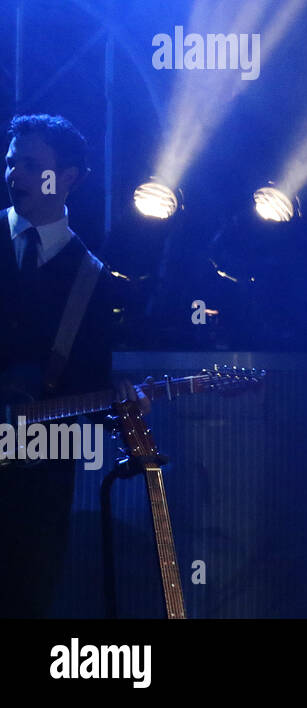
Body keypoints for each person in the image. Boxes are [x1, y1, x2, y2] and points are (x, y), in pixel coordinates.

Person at [0, 113, 115, 616]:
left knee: (29, 594)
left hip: (40, 475)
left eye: (30, 164)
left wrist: (121, 405)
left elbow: (91, 385)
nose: (14, 175)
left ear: (68, 177)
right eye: (10, 162)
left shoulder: (91, 276)